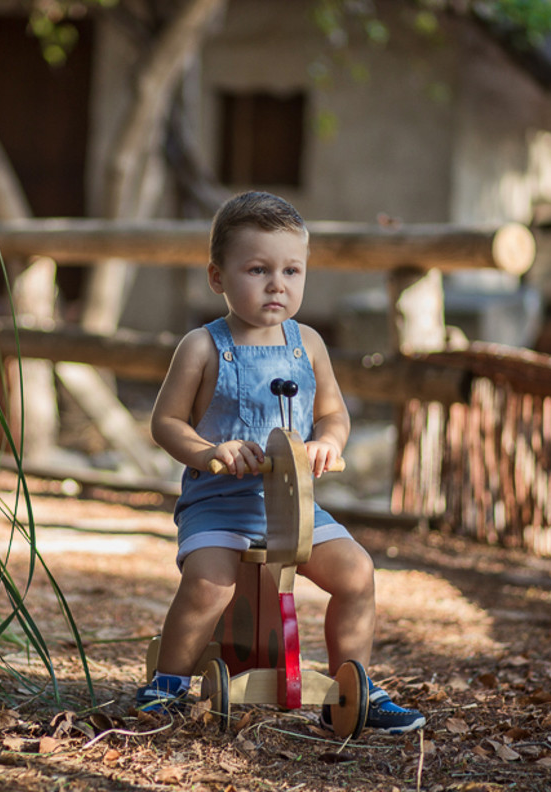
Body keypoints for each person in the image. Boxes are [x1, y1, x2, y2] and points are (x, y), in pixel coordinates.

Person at [137, 191, 425, 734]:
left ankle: (355, 683)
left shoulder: (308, 344)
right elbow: (166, 423)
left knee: (358, 572)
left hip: (293, 507)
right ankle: (168, 683)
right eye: (257, 269)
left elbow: (334, 413)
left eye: (292, 270)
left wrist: (329, 442)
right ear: (217, 278)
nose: (277, 283)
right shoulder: (202, 347)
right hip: (220, 505)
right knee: (210, 583)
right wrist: (210, 451)